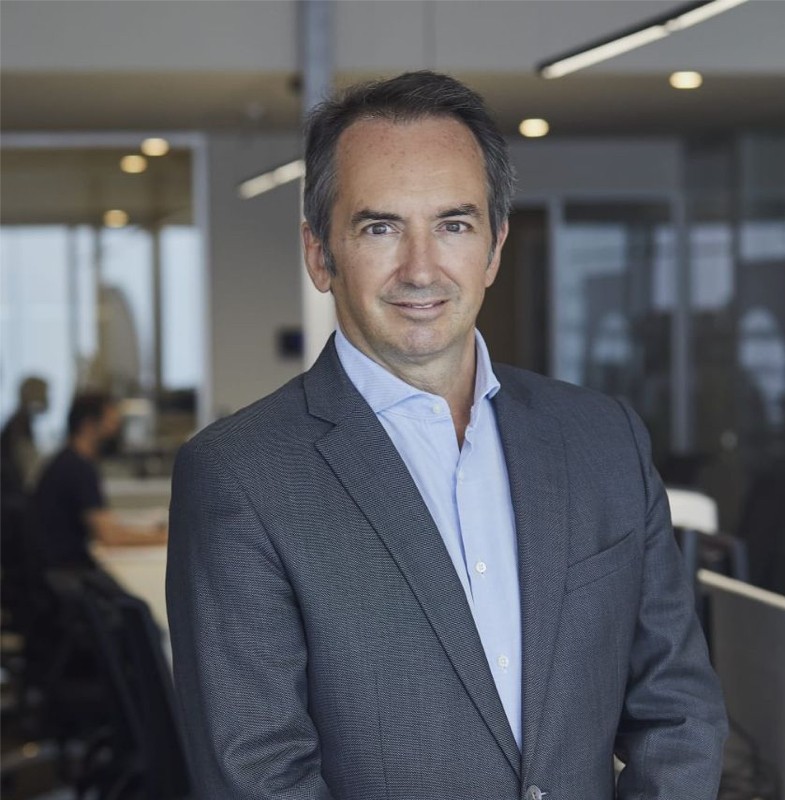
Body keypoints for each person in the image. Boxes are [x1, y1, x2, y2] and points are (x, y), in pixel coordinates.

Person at [167, 72, 727, 800]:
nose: (421, 268)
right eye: (380, 227)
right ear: (319, 254)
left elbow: (679, 710)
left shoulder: (604, 438)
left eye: (454, 225)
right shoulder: (239, 475)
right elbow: (259, 777)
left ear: (493, 247)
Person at [29, 392, 167, 570]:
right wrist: (164, 538)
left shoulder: (66, 461)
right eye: (110, 424)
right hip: (65, 572)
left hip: (55, 569)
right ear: (88, 425)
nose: (116, 431)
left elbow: (103, 525)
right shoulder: (77, 468)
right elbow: (110, 536)